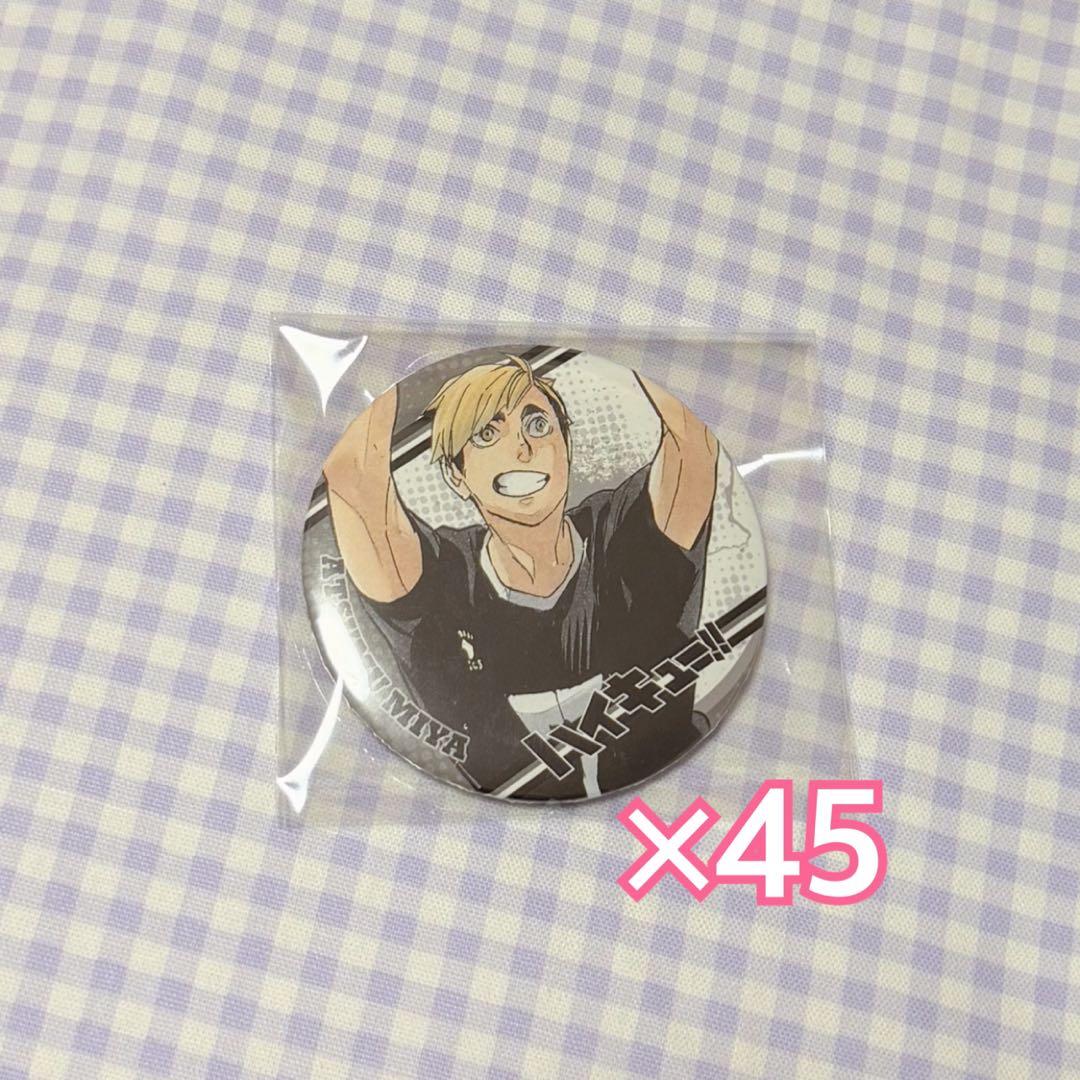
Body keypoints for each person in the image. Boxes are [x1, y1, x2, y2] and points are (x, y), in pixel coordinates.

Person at [323, 355, 719, 798]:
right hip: (490, 824)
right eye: (486, 434)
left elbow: (692, 436)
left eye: (537, 425)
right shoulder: (445, 585)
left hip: (686, 791)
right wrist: (382, 360)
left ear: (565, 446)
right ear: (457, 475)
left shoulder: (624, 538)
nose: (522, 448)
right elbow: (354, 476)